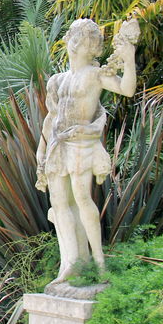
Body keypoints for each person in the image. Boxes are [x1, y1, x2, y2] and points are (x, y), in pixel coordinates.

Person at [35, 18, 138, 284]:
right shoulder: (57, 80)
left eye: (79, 37)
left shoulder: (94, 75)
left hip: (81, 143)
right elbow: (51, 119)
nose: (74, 42)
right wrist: (41, 150)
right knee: (59, 204)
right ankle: (71, 264)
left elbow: (127, 89)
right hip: (58, 146)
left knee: (81, 198)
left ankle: (99, 262)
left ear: (86, 44)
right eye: (74, 36)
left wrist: (129, 58)